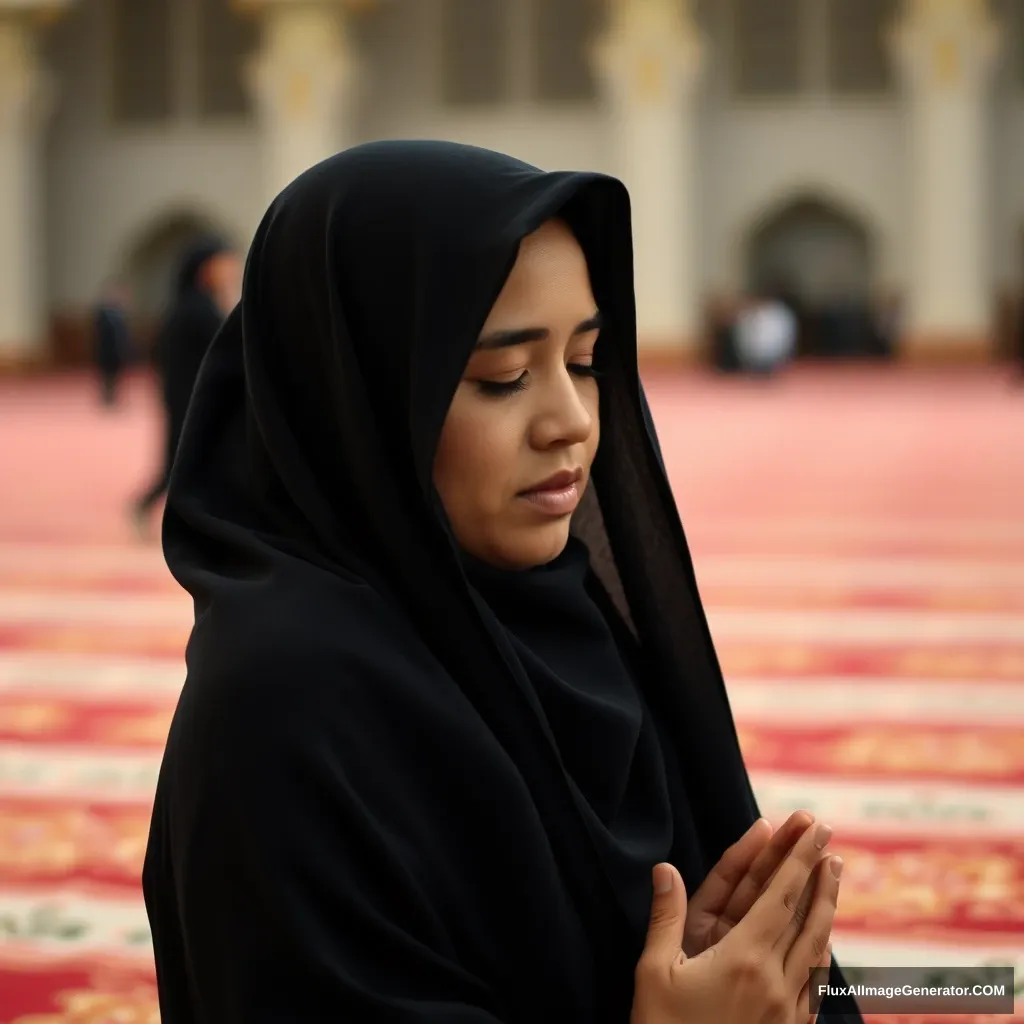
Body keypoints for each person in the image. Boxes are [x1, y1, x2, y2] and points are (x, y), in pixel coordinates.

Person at [142, 141, 863, 1023]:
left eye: (587, 362)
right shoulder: (284, 710)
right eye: (504, 377)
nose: (570, 421)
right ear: (362, 399)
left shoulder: (560, 623)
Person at [130, 235, 241, 537]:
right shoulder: (197, 310)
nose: (231, 271)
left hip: (189, 399)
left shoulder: (191, 305)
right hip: (191, 401)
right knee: (183, 466)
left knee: (185, 466)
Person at [92, 280, 133, 408]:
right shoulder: (103, 313)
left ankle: (113, 398)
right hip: (106, 350)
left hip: (117, 350)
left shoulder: (119, 314)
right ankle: (107, 398)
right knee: (107, 375)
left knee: (116, 375)